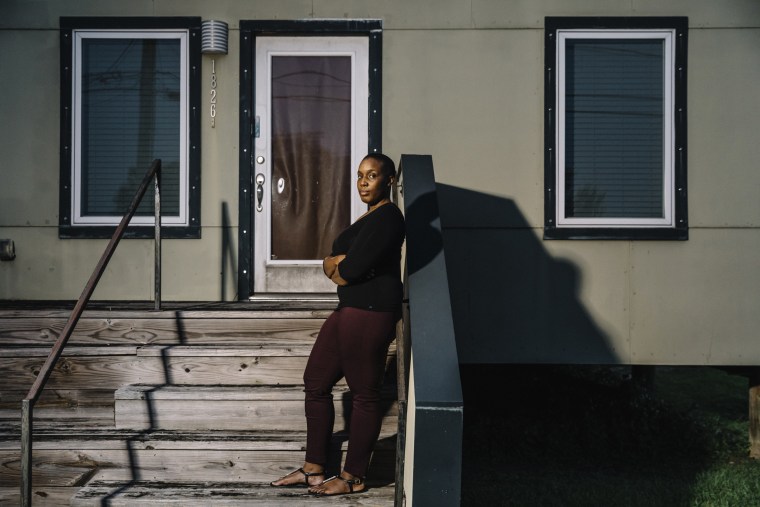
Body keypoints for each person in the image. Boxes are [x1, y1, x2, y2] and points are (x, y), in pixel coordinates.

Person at [270, 153, 405, 496]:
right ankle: (314, 468)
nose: (363, 182)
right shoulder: (369, 218)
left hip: (370, 312)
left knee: (364, 394)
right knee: (315, 381)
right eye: (360, 175)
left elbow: (350, 270)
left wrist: (336, 265)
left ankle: (353, 478)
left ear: (388, 180)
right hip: (349, 310)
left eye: (372, 176)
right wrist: (335, 264)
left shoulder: (389, 217)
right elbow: (336, 265)